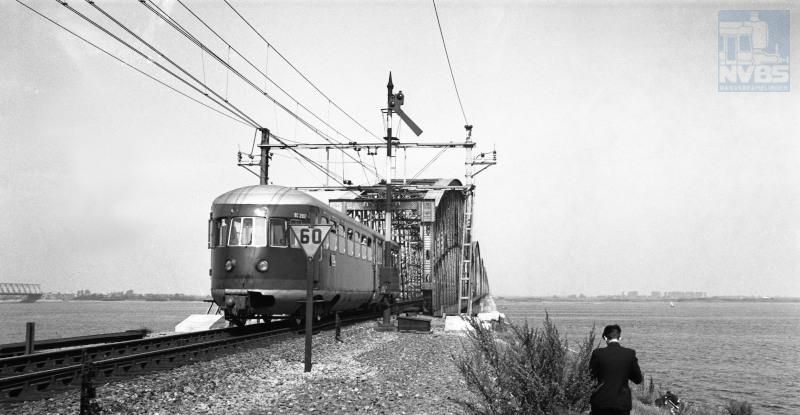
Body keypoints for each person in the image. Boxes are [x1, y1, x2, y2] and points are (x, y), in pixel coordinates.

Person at [589, 324, 643, 415]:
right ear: (620, 338)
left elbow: (590, 376)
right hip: (622, 404)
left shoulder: (597, 353)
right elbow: (638, 379)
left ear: (605, 338)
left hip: (600, 402)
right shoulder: (630, 354)